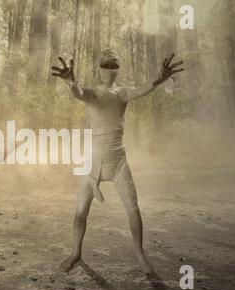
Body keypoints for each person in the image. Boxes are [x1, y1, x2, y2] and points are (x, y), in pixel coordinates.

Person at [51, 50, 184, 274]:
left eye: (114, 65)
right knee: (81, 210)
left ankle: (140, 254)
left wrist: (159, 80)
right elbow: (79, 93)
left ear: (118, 69)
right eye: (106, 65)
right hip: (93, 161)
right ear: (98, 69)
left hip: (118, 161)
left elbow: (143, 89)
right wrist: (71, 81)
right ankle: (76, 252)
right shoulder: (92, 94)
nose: (110, 69)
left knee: (133, 208)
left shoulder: (122, 93)